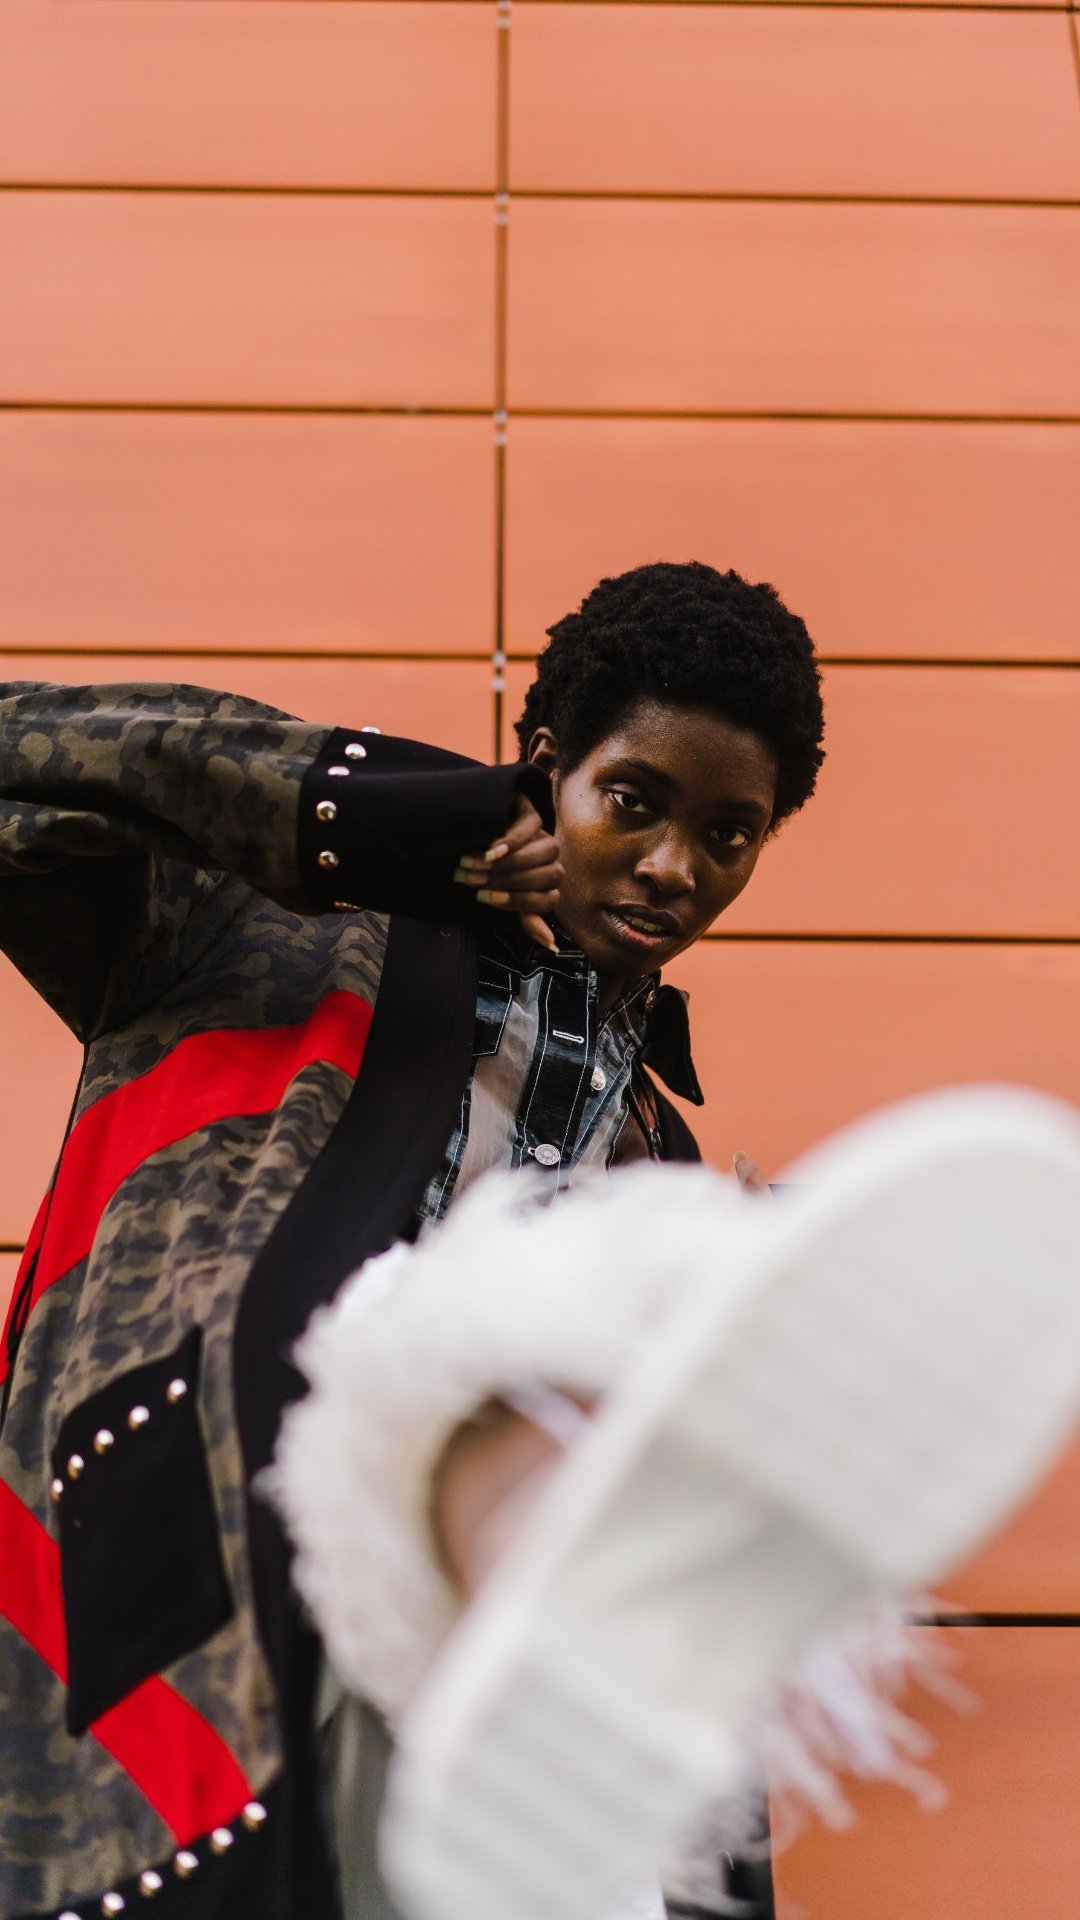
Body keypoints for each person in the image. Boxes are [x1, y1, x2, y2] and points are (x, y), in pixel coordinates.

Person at [0, 561, 825, 1920]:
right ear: (544, 771)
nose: (676, 866)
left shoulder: (659, 1166)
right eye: (636, 801)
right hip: (207, 1661)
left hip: (525, 1747)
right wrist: (364, 817)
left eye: (730, 837)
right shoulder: (261, 933)